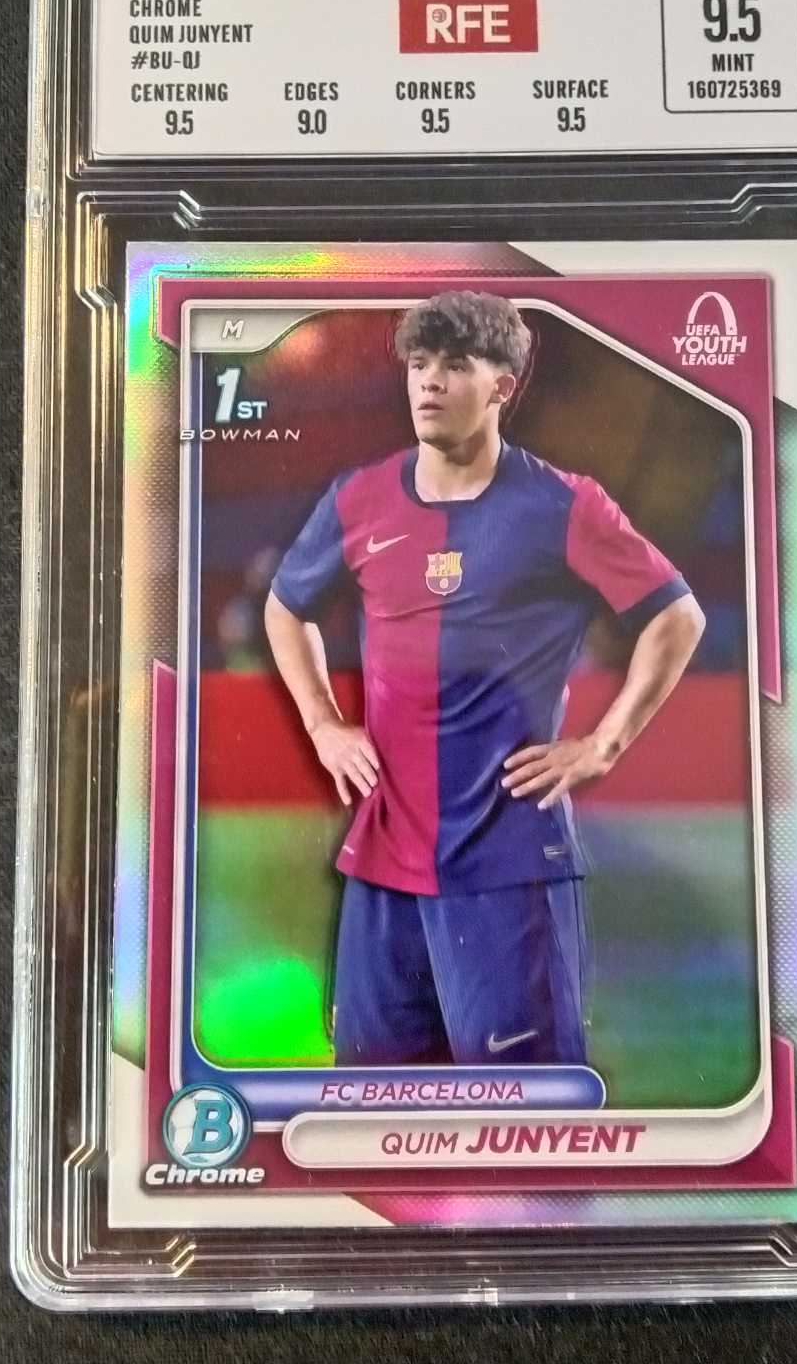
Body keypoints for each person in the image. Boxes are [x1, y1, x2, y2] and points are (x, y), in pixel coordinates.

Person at [264, 291, 705, 1066]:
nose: (429, 381)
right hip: (384, 867)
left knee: (524, 1112)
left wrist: (603, 745)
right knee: (372, 1108)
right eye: (419, 364)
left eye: (455, 365)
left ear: (503, 385)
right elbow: (284, 608)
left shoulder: (564, 506)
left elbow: (677, 617)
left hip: (510, 869)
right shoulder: (359, 499)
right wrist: (324, 724)